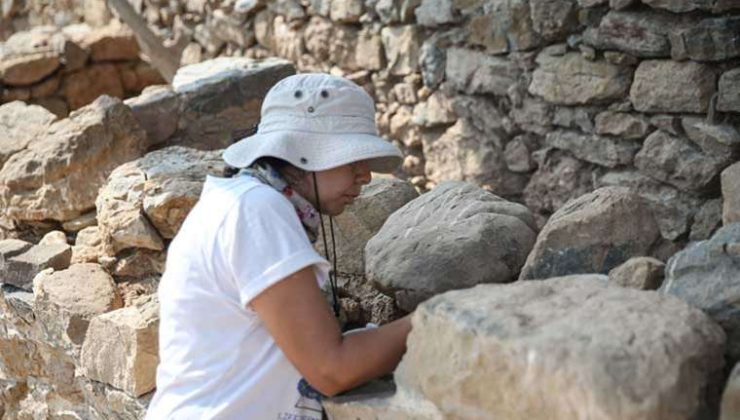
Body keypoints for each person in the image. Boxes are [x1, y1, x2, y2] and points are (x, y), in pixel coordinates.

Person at [144, 73, 413, 419]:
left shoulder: (245, 201)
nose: (365, 176)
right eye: (352, 160)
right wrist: (432, 320)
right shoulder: (257, 211)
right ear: (303, 153)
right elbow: (331, 369)